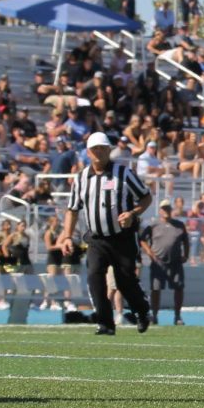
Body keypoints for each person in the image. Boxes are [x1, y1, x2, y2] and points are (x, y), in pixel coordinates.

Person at [59, 132, 153, 335]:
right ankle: (105, 323)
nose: (98, 152)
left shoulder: (124, 173)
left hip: (122, 237)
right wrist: (67, 236)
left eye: (102, 148)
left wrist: (132, 213)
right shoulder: (82, 178)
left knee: (125, 280)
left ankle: (142, 311)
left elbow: (146, 198)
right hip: (96, 239)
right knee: (94, 277)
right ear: (88, 152)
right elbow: (72, 209)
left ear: (109, 150)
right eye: (95, 149)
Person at [140, 199, 189, 326]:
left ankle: (177, 316)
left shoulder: (179, 225)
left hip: (175, 262)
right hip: (158, 262)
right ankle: (154, 315)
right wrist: (150, 253)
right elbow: (142, 240)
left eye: (168, 208)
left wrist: (186, 255)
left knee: (179, 288)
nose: (166, 211)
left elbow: (186, 240)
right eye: (164, 208)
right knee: (156, 289)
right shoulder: (153, 225)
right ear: (160, 211)